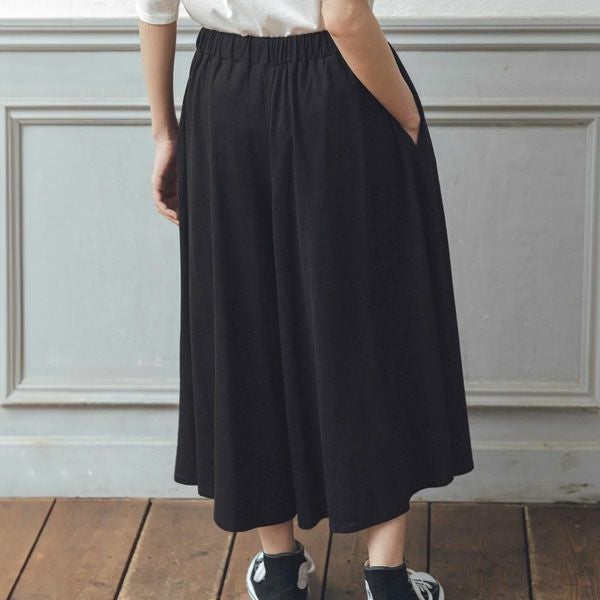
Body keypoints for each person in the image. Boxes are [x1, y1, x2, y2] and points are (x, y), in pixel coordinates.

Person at [136, 0, 475, 597]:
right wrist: (407, 116)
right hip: (336, 90)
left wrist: (165, 133)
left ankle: (280, 567)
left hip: (222, 91)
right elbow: (344, 16)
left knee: (244, 323)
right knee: (366, 323)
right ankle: (387, 575)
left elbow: (155, 10)